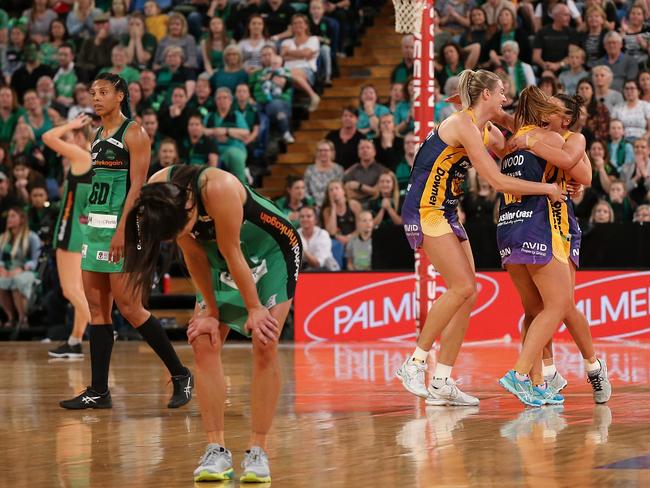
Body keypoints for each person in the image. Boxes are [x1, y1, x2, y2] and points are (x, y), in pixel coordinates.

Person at [122, 164, 303, 483]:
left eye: (183, 228)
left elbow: (234, 253)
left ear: (188, 206)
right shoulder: (158, 195)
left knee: (265, 340)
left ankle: (258, 450)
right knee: (203, 339)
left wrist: (255, 308)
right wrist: (211, 313)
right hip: (219, 253)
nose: (181, 236)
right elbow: (193, 255)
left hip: (271, 249)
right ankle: (216, 449)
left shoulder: (217, 189)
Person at [397, 70, 565, 407]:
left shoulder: (485, 129)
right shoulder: (461, 123)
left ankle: (442, 381)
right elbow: (496, 180)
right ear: (485, 94)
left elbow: (514, 141)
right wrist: (546, 188)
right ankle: (414, 363)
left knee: (469, 292)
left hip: (445, 211)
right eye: (501, 91)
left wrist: (553, 140)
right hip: (423, 208)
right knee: (460, 287)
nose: (505, 97)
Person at [59, 73, 193, 410]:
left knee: (131, 309)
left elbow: (137, 186)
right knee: (97, 310)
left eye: (104, 92)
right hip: (95, 229)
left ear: (121, 95)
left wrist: (122, 228)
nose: (96, 98)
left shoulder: (133, 132)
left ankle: (180, 374)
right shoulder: (96, 134)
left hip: (124, 229)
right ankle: (98, 391)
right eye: (93, 93)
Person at [507, 92, 612, 404]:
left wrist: (537, 147)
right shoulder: (535, 132)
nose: (544, 108)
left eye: (551, 107)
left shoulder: (572, 137)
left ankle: (593, 366)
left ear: (563, 118)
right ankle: (546, 374)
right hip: (531, 221)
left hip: (561, 223)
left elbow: (585, 175)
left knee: (562, 304)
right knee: (539, 308)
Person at [42, 116, 93, 358]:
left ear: (80, 136)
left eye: (70, 137)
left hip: (71, 228)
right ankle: (75, 341)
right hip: (84, 228)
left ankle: (103, 326)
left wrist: (70, 125)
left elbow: (47, 137)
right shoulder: (98, 158)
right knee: (79, 290)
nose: (66, 142)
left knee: (69, 290)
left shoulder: (82, 155)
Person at [0, 207, 41, 329]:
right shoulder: (3, 238)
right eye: (8, 217)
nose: (9, 219)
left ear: (22, 219)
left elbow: (36, 260)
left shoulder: (32, 237)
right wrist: (2, 268)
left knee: (18, 280)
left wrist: (22, 268)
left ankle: (23, 318)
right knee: (1, 281)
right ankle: (10, 317)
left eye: (13, 216)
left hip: (27, 271)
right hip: (8, 270)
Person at [321, 179, 362, 245]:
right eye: (331, 190)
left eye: (336, 188)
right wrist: (333, 208)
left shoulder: (354, 205)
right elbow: (331, 232)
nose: (334, 192)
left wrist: (349, 238)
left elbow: (360, 227)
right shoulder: (327, 211)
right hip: (337, 241)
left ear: (343, 191)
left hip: (354, 239)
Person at [304, 139, 344, 207]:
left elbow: (340, 190)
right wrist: (312, 204)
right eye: (320, 150)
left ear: (332, 152)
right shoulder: (310, 169)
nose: (323, 153)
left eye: (326, 150)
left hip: (333, 206)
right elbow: (305, 190)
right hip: (313, 206)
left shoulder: (338, 169)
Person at [298, 205, 338, 271]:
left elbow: (317, 264)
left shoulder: (322, 234)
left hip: (326, 271)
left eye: (308, 216)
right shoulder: (295, 234)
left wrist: (302, 249)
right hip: (303, 270)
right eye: (302, 217)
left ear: (315, 220)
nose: (305, 219)